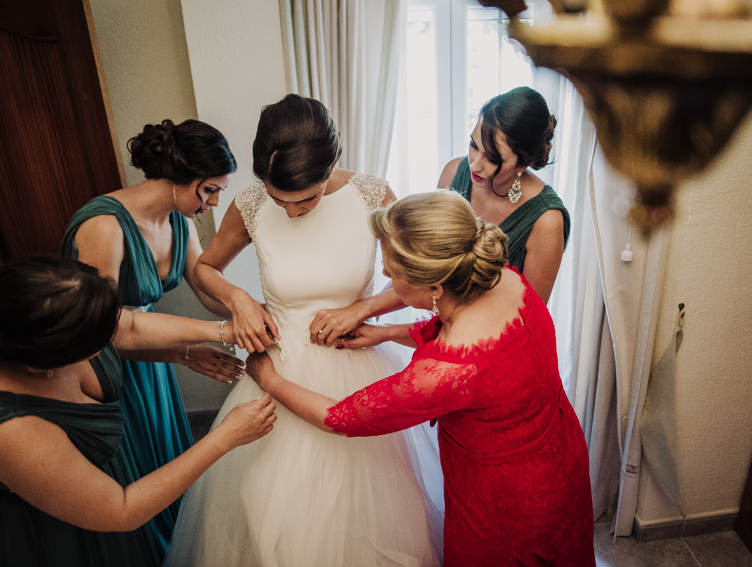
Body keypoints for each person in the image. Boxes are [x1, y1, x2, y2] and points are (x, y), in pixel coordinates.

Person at [164, 94, 441, 567]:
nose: (291, 213)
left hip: (357, 369)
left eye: (306, 199)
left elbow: (423, 277)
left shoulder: (371, 195)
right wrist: (240, 299)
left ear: (331, 163)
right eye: (279, 200)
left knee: (372, 520)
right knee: (270, 514)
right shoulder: (250, 205)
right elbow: (206, 268)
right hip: (278, 371)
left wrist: (364, 308)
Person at [247, 191, 595, 567]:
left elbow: (341, 417)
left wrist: (269, 378)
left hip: (505, 504)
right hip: (561, 453)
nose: (384, 277)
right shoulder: (503, 279)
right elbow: (480, 338)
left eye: (393, 274)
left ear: (434, 287)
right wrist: (387, 332)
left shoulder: (444, 373)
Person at [0, 255, 276, 567]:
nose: (115, 333)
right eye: (102, 338)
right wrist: (225, 437)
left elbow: (131, 326)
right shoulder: (10, 431)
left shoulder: (55, 306)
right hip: (51, 535)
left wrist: (222, 332)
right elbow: (120, 510)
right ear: (43, 365)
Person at [59, 118, 245, 558]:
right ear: (181, 179)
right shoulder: (105, 226)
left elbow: (206, 289)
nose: (215, 202)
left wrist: (251, 307)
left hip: (150, 361)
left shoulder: (178, 222)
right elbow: (108, 327)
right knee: (132, 473)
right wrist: (220, 333)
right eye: (211, 189)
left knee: (166, 459)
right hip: (100, 367)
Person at [308, 86, 569, 349]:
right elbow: (422, 270)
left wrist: (383, 328)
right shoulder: (455, 172)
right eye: (473, 144)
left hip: (496, 356)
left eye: (492, 158)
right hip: (442, 340)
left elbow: (521, 326)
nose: (475, 163)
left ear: (523, 162)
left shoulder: (546, 221)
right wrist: (366, 314)